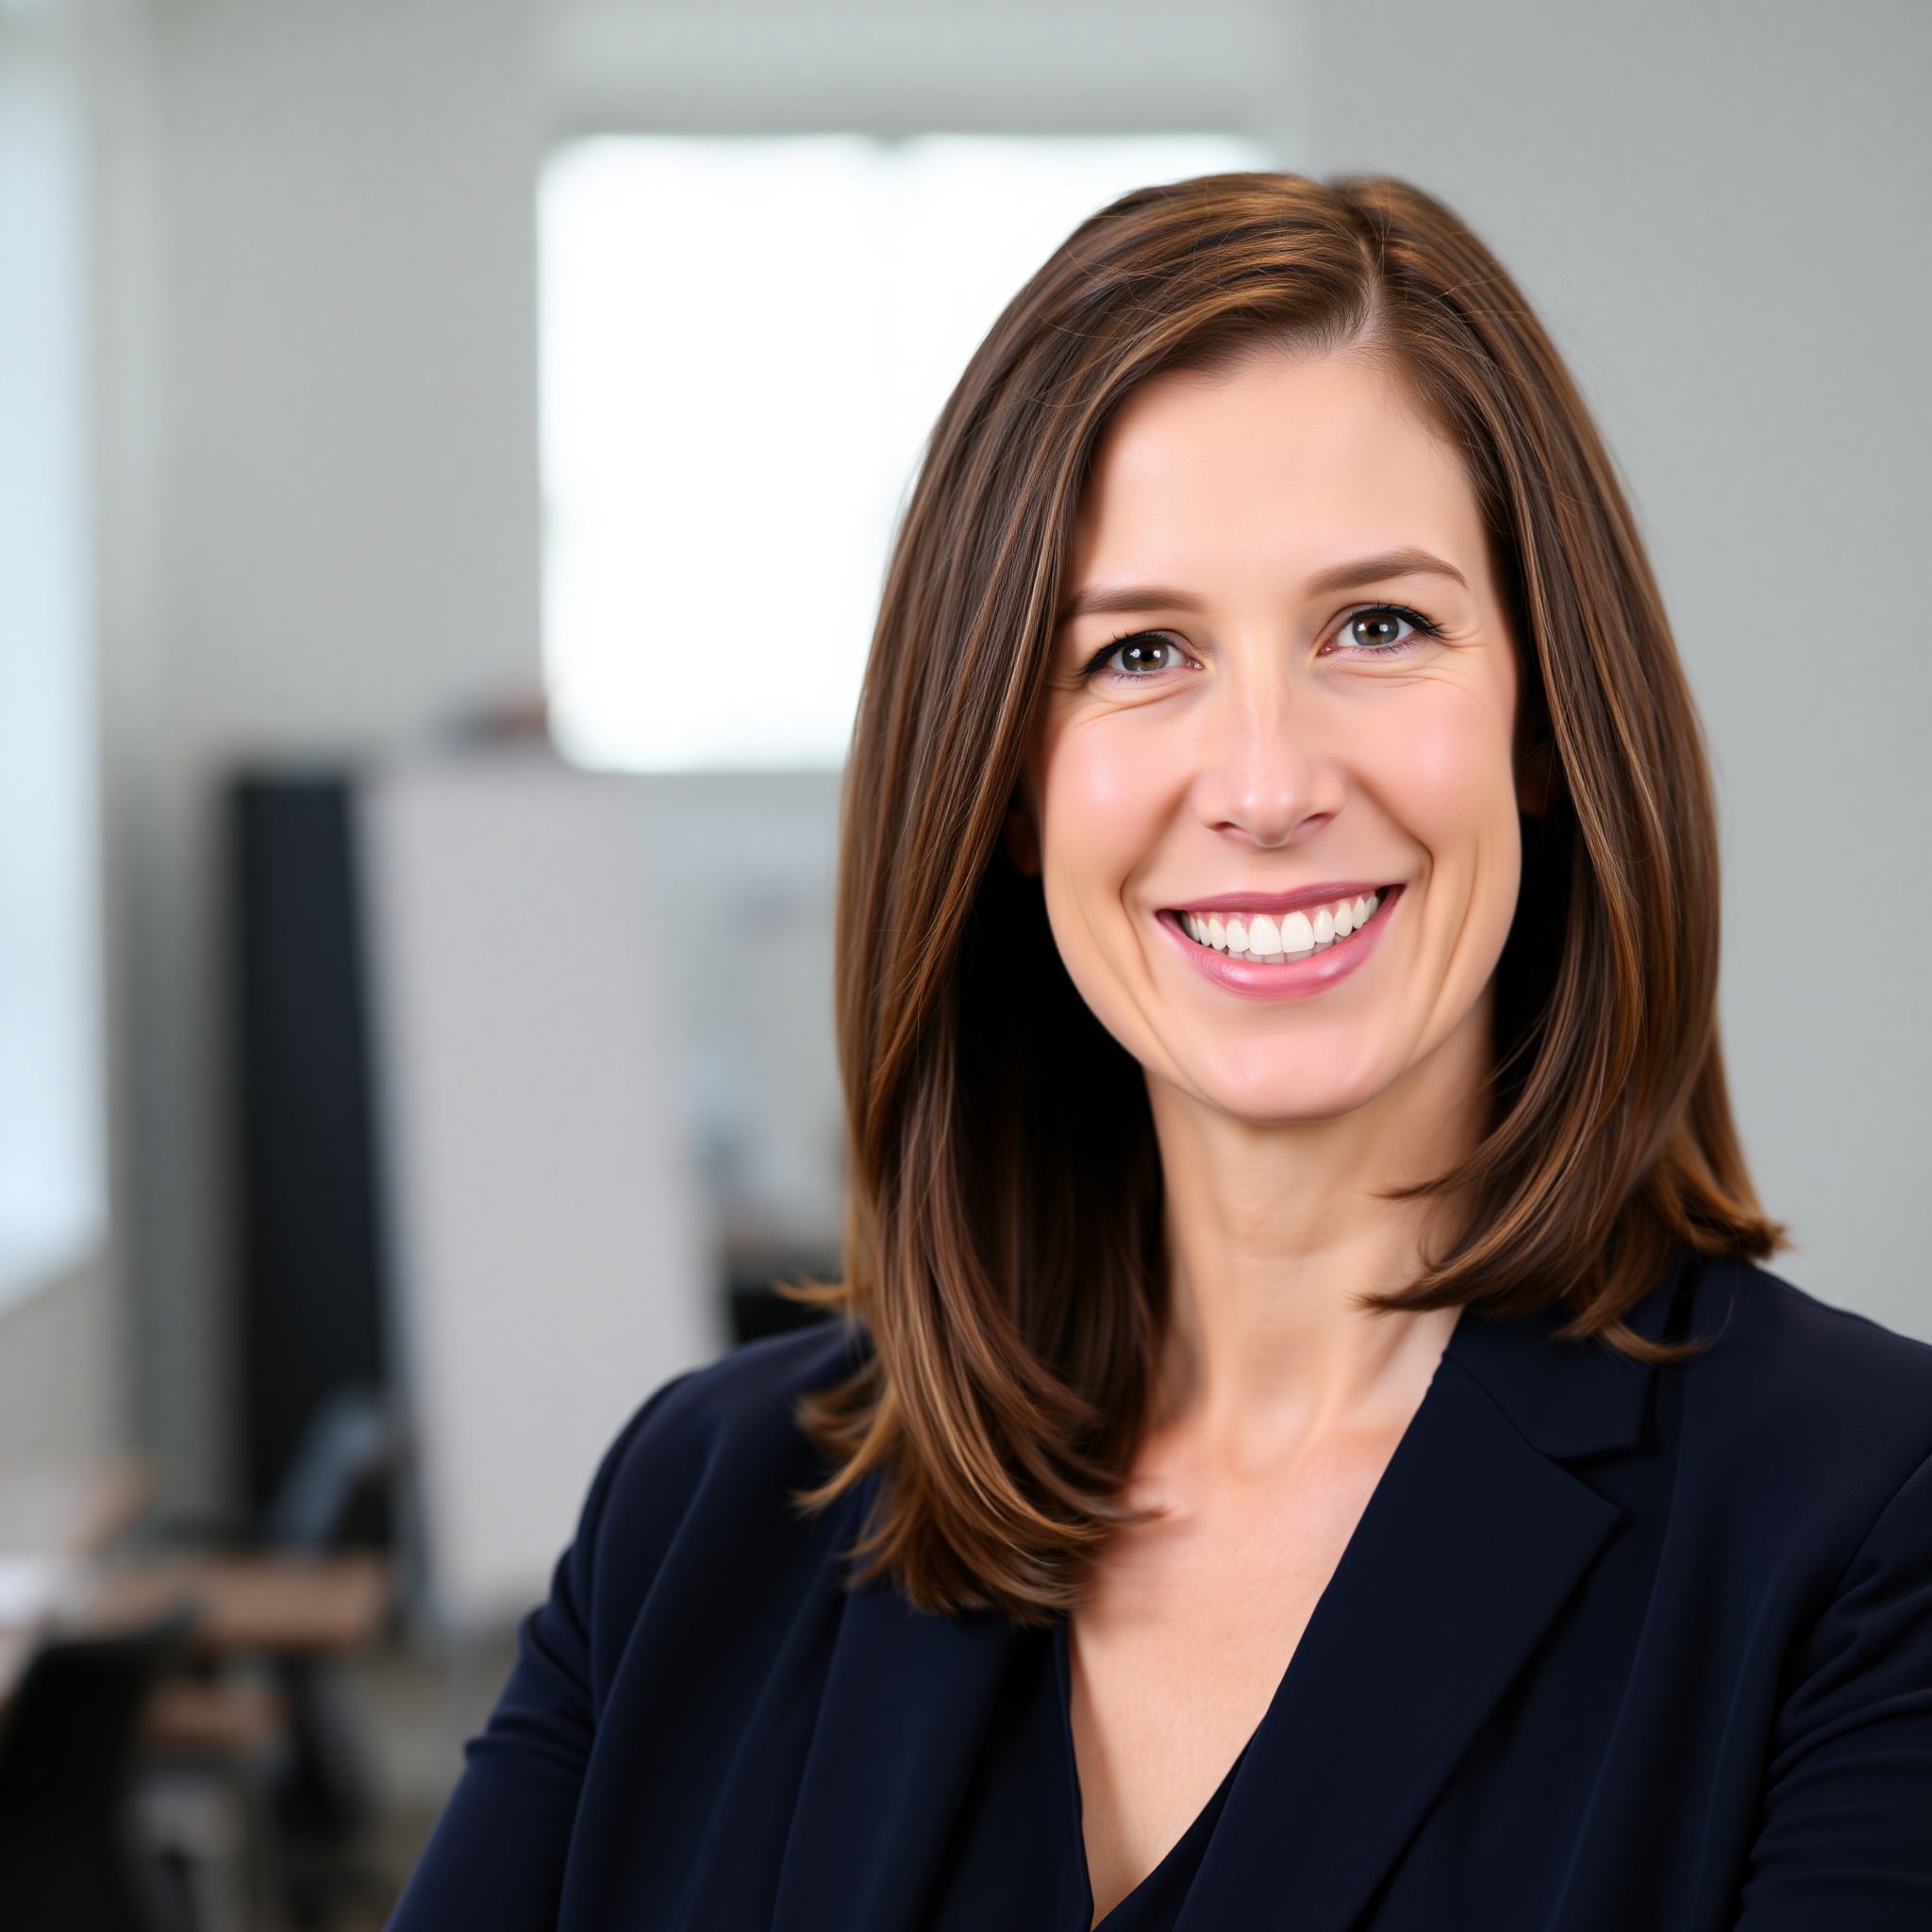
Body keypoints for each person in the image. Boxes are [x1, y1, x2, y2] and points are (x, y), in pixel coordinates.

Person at [391, 175, 1932, 1930]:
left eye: (1379, 627)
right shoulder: (704, 1508)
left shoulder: (1867, 1527)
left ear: (1548, 723)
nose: (1267, 784)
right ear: (1006, 789)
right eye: (1137, 652)